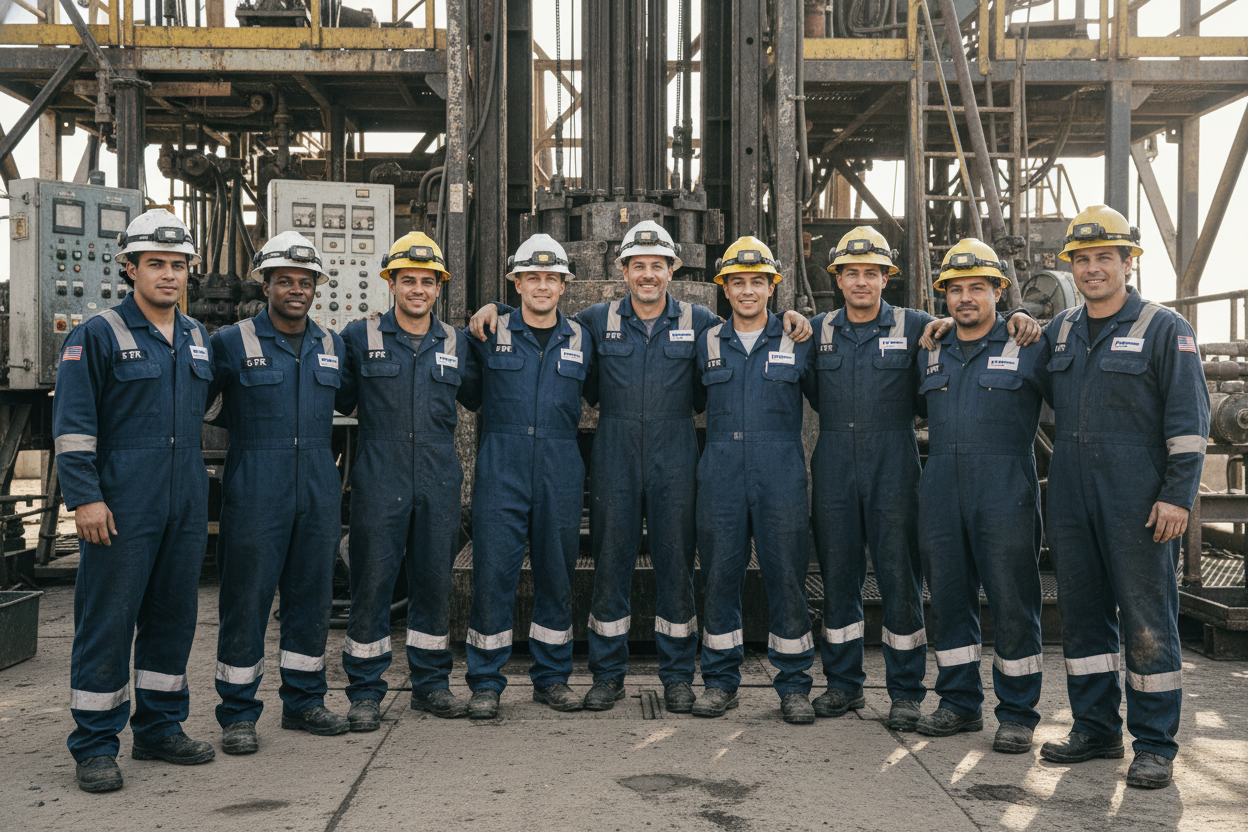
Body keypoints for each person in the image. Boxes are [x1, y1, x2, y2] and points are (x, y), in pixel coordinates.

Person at [469, 221, 812, 714]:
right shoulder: (592, 321)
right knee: (611, 565)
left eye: (657, 266)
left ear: (672, 269)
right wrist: (496, 310)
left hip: (675, 452)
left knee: (676, 566)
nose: (647, 275)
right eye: (638, 267)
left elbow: (741, 342)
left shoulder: (700, 324)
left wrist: (792, 316)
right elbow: (541, 318)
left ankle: (677, 677)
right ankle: (608, 676)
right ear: (623, 271)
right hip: (615, 452)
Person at [805, 227, 1041, 730]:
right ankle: (843, 686)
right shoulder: (817, 330)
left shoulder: (919, 328)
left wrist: (1023, 317)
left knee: (900, 580)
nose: (862, 282)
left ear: (888, 277)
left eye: (872, 273)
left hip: (896, 465)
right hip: (834, 469)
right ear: (838, 279)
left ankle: (907, 692)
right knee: (838, 578)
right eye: (852, 273)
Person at [1035, 206, 1209, 789]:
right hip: (1071, 500)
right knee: (1082, 619)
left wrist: (1177, 498)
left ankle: (1155, 743)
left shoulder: (1164, 329)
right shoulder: (1060, 331)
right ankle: (1096, 728)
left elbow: (1189, 424)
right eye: (1081, 260)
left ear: (1128, 262)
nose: (1091, 269)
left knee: (1146, 620)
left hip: (1138, 502)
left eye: (1103, 257)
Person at [53, 209, 215, 792]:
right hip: (121, 503)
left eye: (179, 266)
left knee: (174, 616)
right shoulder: (96, 334)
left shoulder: (197, 337)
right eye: (156, 265)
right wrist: (85, 500)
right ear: (130, 268)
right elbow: (72, 427)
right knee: (109, 618)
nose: (169, 276)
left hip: (184, 501)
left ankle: (159, 727)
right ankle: (96, 744)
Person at [208, 231, 352, 755]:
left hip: (317, 476)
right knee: (245, 599)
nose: (296, 289)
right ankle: (238, 714)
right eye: (284, 280)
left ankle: (304, 701)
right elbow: (197, 403)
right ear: (265, 284)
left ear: (317, 287)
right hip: (255, 481)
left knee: (311, 596)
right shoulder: (230, 342)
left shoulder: (332, 344)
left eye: (305, 281)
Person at [339, 233, 479, 729]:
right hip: (380, 470)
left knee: (434, 583)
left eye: (427, 281)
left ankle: (431, 685)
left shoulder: (458, 341)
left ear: (439, 286)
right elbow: (334, 397)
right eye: (407, 280)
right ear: (390, 283)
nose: (417, 289)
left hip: (440, 474)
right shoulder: (360, 337)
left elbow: (484, 396)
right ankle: (365, 691)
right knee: (372, 582)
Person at [914, 239, 1045, 753]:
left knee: (1013, 601)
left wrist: (1028, 319)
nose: (965, 298)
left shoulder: (1029, 345)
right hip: (942, 486)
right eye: (955, 290)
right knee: (947, 598)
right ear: (944, 297)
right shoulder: (929, 348)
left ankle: (1016, 713)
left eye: (977, 288)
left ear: (999, 292)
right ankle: (958, 703)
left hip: (1005, 489)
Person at [458, 234, 593, 719]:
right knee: (494, 574)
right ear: (516, 283)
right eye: (531, 277)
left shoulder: (582, 337)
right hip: (503, 465)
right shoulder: (487, 333)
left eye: (551, 278)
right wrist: (487, 308)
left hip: (559, 466)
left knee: (557, 576)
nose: (541, 286)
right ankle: (486, 683)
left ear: (563, 286)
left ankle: (552, 679)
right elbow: (470, 395)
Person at [692, 236, 818, 724]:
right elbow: (690, 401)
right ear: (724, 289)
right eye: (738, 282)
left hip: (780, 473)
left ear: (772, 287)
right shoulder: (705, 342)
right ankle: (721, 682)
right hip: (720, 472)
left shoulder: (797, 338)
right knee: (720, 577)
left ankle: (793, 686)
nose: (748, 291)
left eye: (758, 282)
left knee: (786, 578)